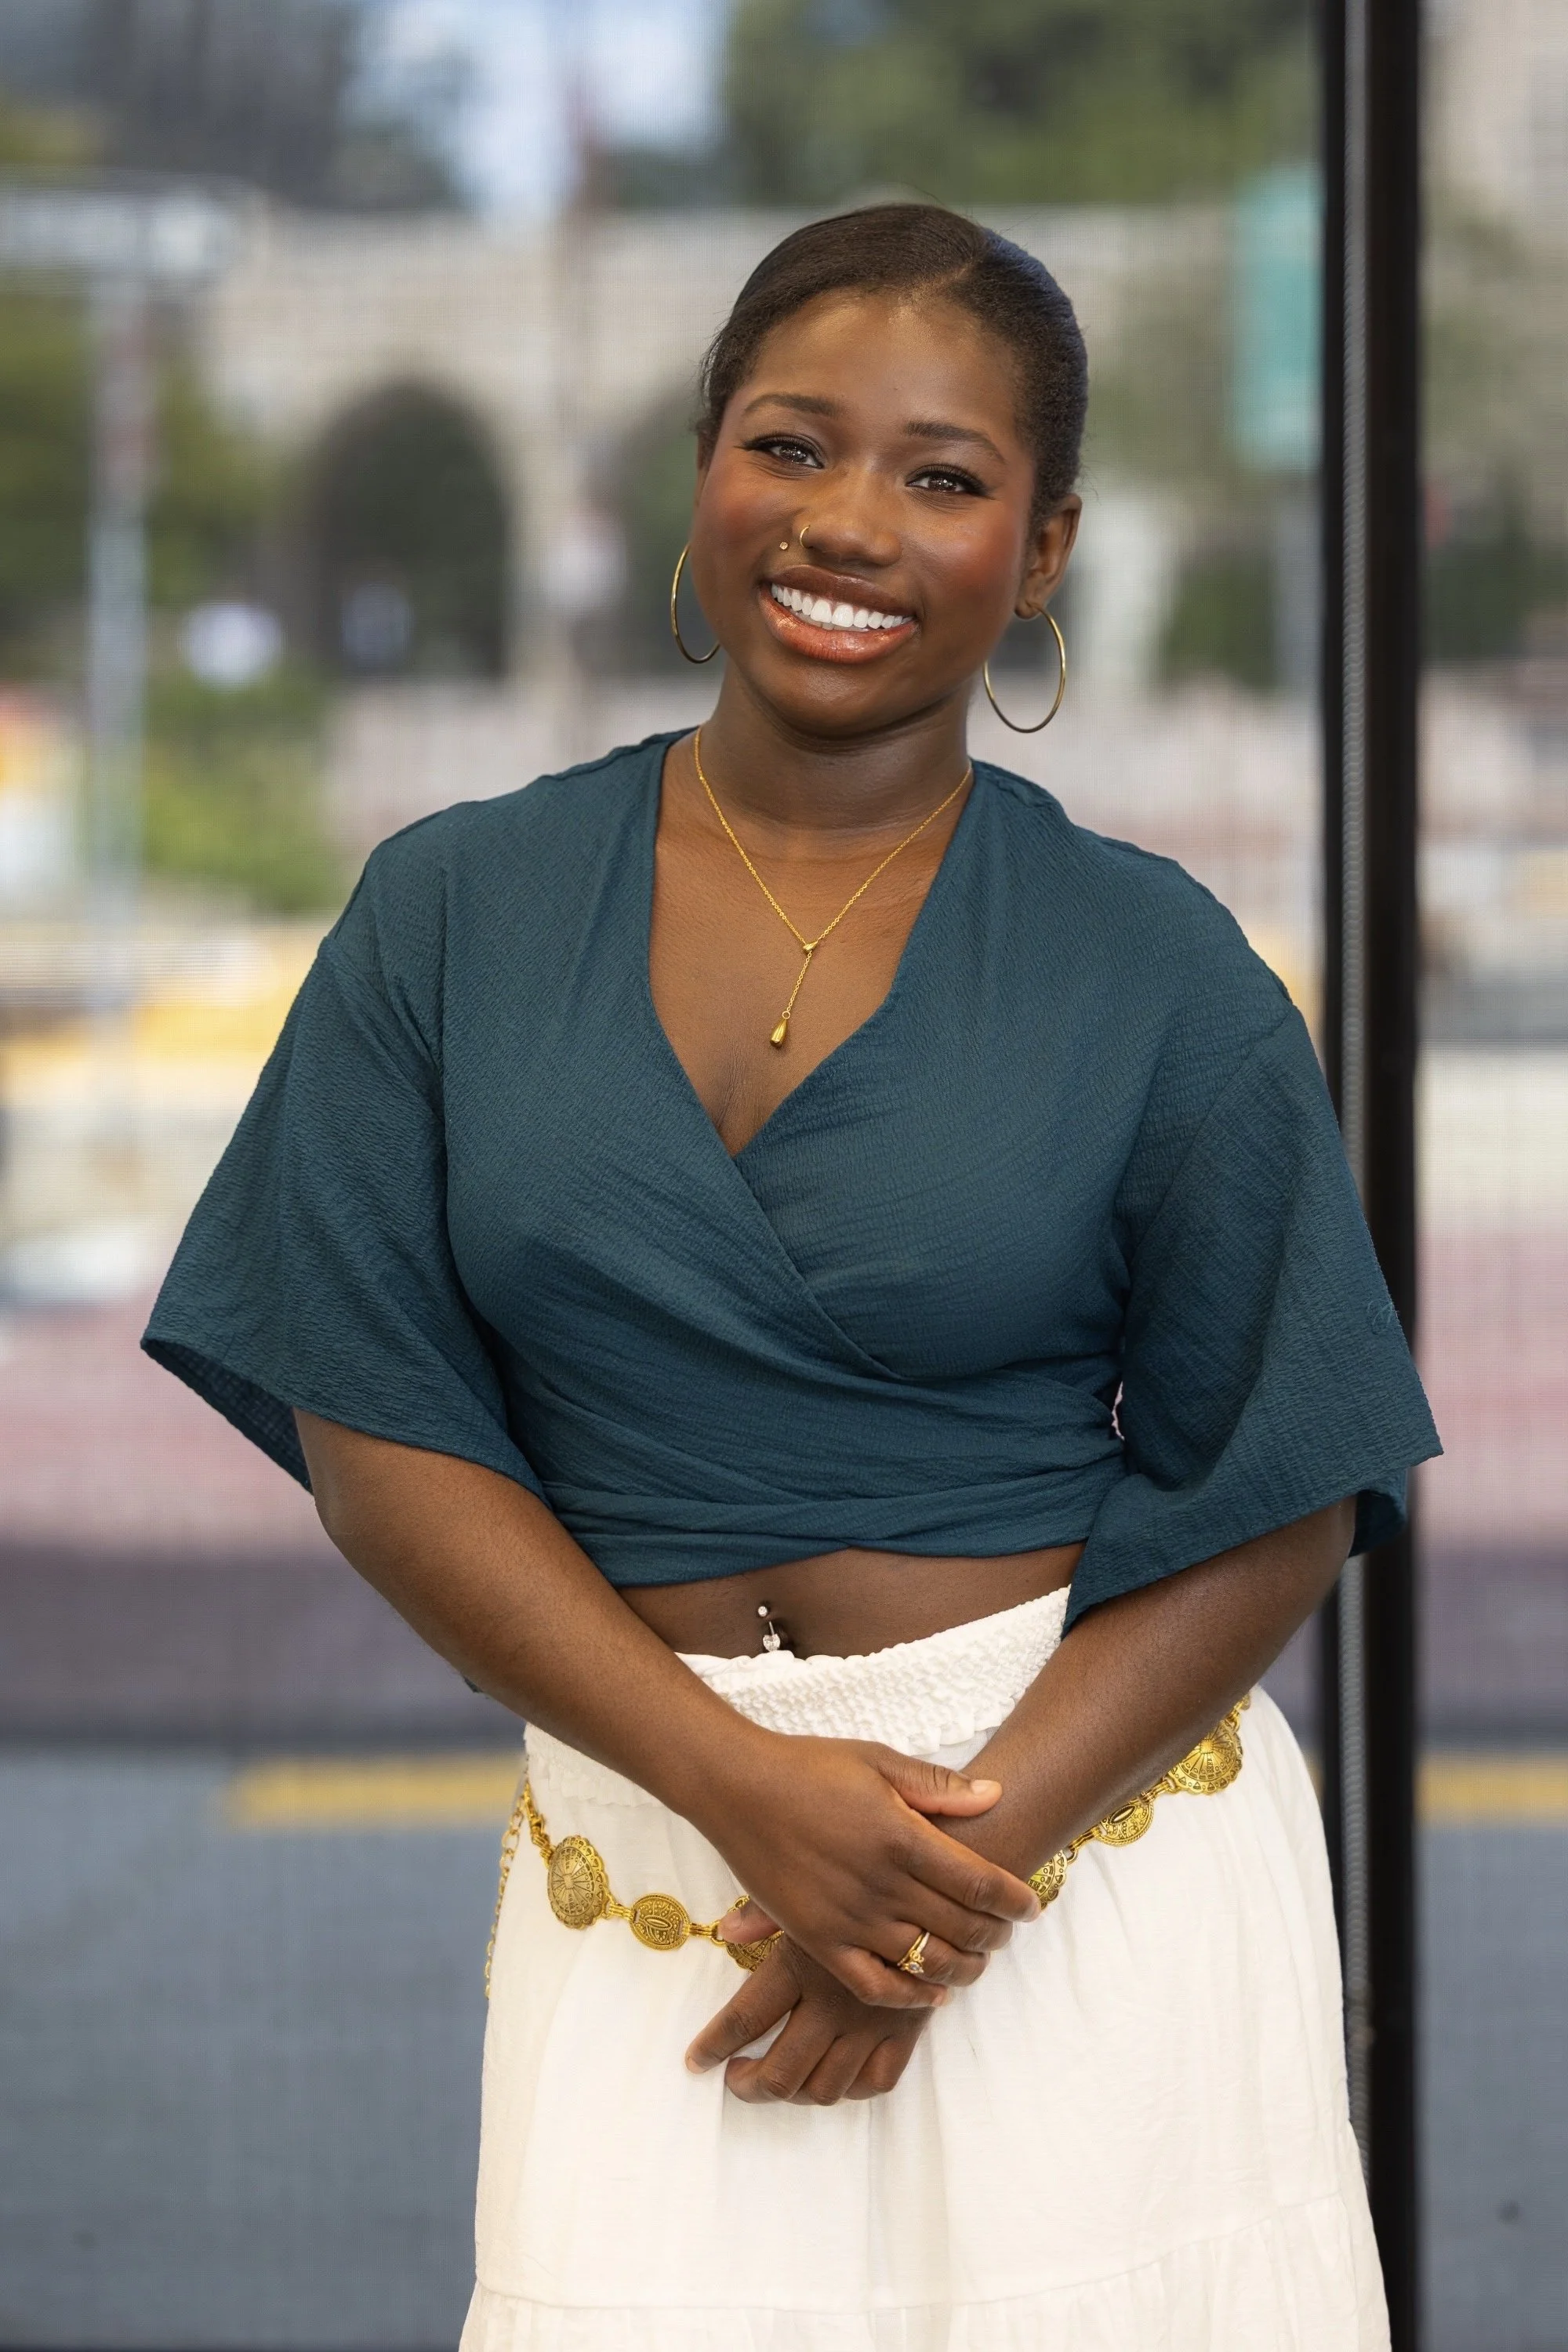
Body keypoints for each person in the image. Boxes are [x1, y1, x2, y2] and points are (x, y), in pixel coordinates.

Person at [145, 203, 1439, 2350]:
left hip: (1075, 1867)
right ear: (702, 474)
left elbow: (1281, 1478)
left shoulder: (1157, 965)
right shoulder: (448, 917)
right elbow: (375, 1422)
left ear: (1042, 549)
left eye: (944, 477)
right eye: (792, 444)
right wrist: (739, 1786)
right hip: (656, 1867)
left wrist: (943, 1890)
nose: (850, 522)